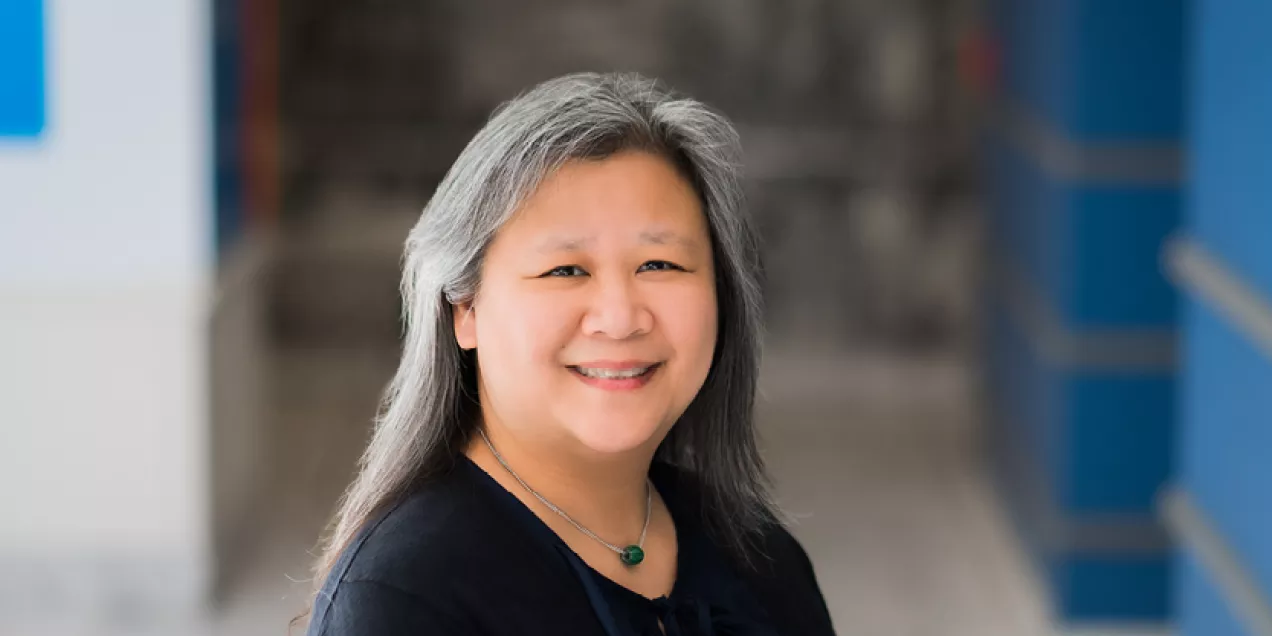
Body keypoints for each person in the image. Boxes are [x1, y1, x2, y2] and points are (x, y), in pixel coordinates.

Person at [302, 72, 836, 636]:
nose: (621, 316)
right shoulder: (401, 601)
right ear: (465, 309)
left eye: (660, 265)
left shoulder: (763, 562)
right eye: (566, 270)